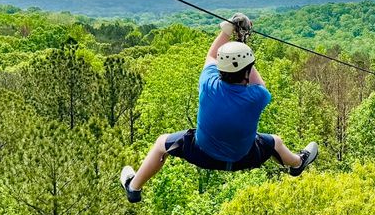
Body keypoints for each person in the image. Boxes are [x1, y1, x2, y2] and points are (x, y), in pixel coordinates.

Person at [120, 13, 318, 203]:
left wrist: (227, 31)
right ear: (248, 69)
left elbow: (211, 55)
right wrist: (242, 45)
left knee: (161, 144)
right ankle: (296, 164)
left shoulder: (208, 83)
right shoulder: (258, 97)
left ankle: (134, 187)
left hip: (202, 153)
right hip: (245, 156)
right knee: (276, 142)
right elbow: (257, 83)